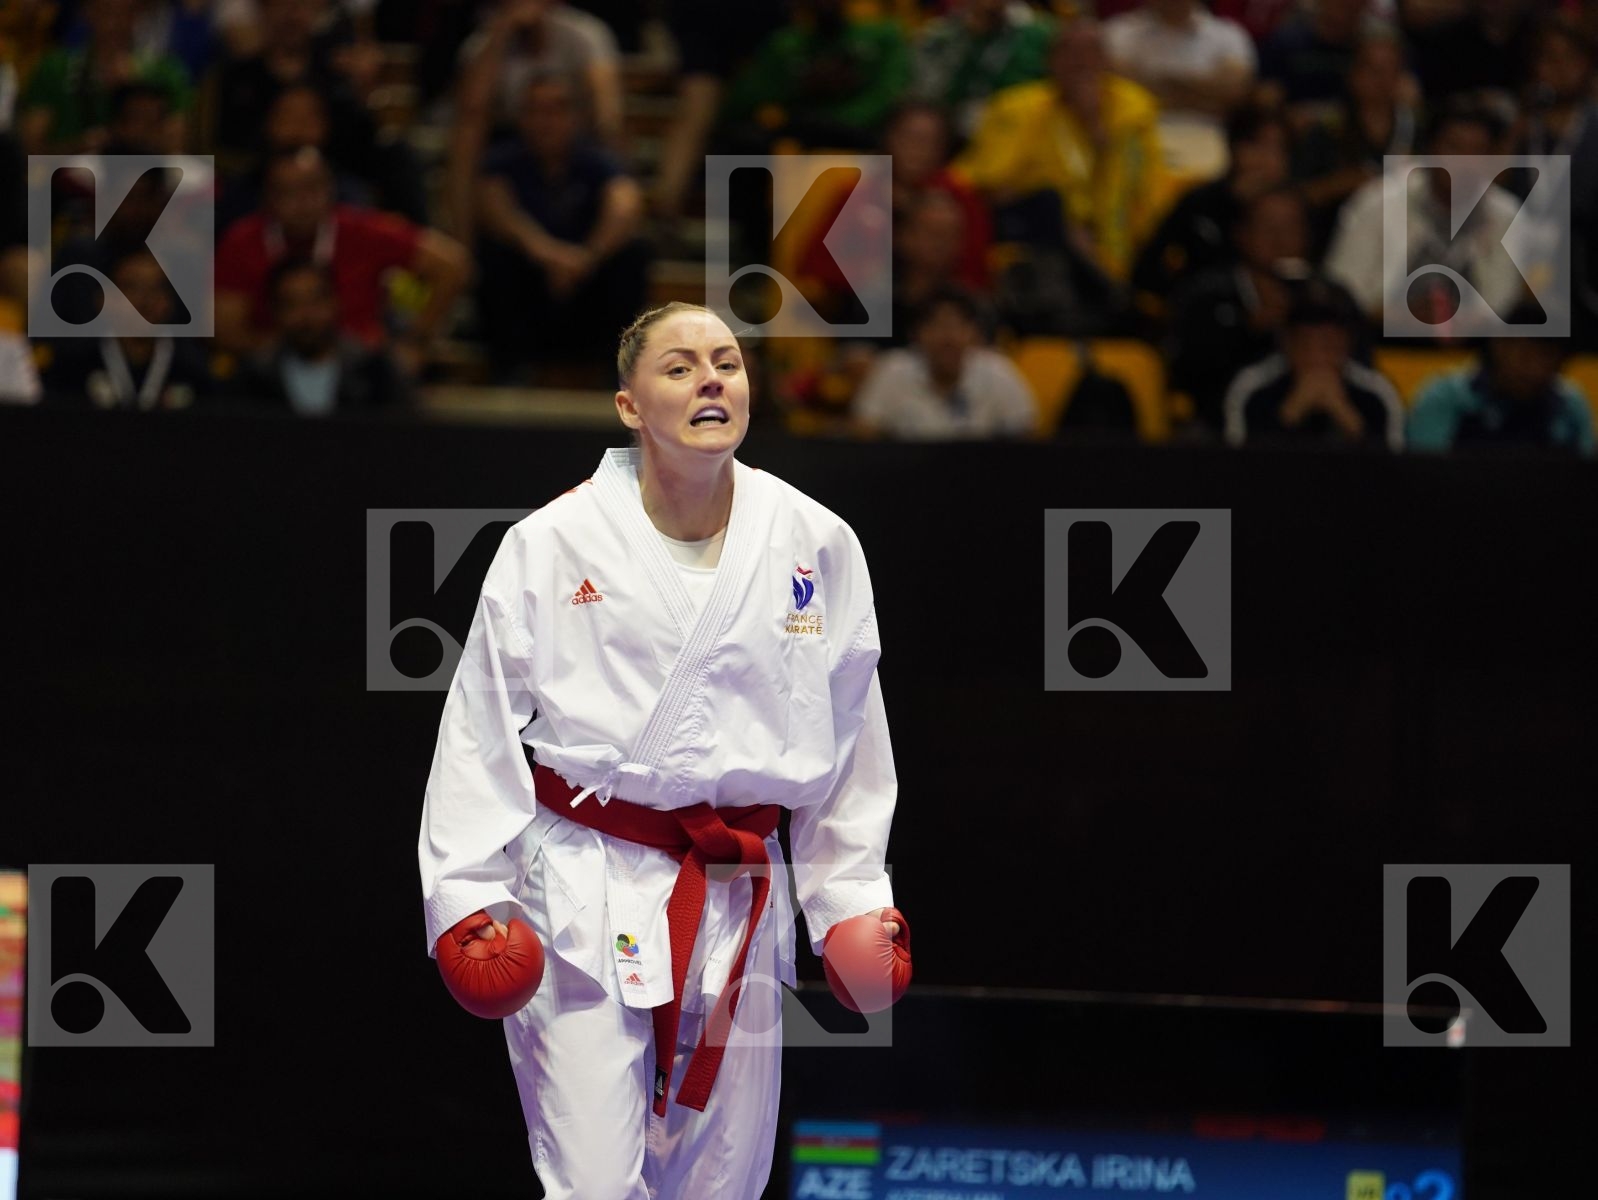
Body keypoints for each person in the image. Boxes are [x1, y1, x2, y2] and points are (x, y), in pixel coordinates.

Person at [418, 300, 905, 1198]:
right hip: (582, 886)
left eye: (727, 361)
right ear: (629, 405)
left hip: (738, 889)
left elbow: (850, 732)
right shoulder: (551, 543)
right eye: (679, 367)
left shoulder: (817, 540)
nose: (711, 378)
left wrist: (850, 897)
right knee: (596, 1182)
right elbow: (479, 723)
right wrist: (468, 895)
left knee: (723, 1180)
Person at [214, 147, 470, 375]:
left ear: (330, 189)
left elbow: (453, 265)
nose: (301, 203)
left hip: (362, 373)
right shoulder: (242, 241)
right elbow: (224, 328)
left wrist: (414, 342)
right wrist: (282, 352)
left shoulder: (364, 230)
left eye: (312, 188)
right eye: (288, 192)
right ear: (268, 197)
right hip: (273, 376)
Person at [953, 18, 1162, 281]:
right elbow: (989, 185)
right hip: (1038, 236)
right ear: (1050, 61)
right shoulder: (1016, 107)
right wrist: (1062, 224)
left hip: (1112, 235)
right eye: (1071, 52)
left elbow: (1139, 187)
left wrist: (1096, 129)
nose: (1081, 63)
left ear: (1107, 62)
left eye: (1091, 53)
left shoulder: (1131, 108)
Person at [474, 71, 648, 379]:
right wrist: (548, 255)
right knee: (492, 253)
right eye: (536, 111)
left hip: (585, 290)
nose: (547, 121)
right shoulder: (503, 160)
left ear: (575, 117)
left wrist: (587, 257)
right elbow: (494, 208)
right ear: (522, 118)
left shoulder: (597, 161)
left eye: (556, 110)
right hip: (531, 291)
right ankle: (509, 370)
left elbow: (626, 202)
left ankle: (616, 371)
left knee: (633, 253)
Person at [1222, 276, 1404, 447]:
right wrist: (1290, 412)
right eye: (1305, 346)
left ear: (1349, 343)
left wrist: (1348, 418)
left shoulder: (1377, 393)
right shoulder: (1252, 388)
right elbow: (1237, 470)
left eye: (1330, 346)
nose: (1317, 357)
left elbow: (1397, 472)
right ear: (1286, 342)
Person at [229, 257, 412, 414]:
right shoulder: (253, 379)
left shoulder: (376, 372)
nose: (305, 316)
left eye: (315, 301)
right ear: (275, 311)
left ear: (335, 302)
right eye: (292, 304)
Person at [853, 286, 1036, 439]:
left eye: (958, 326)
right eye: (936, 325)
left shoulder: (998, 370)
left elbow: (1026, 437)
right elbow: (864, 432)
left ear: (975, 333)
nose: (948, 338)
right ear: (916, 334)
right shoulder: (893, 369)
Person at [1407, 309, 1596, 454]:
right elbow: (1424, 475)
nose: (1535, 369)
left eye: (1547, 358)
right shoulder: (1447, 397)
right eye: (1525, 356)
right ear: (1499, 345)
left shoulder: (1571, 406)